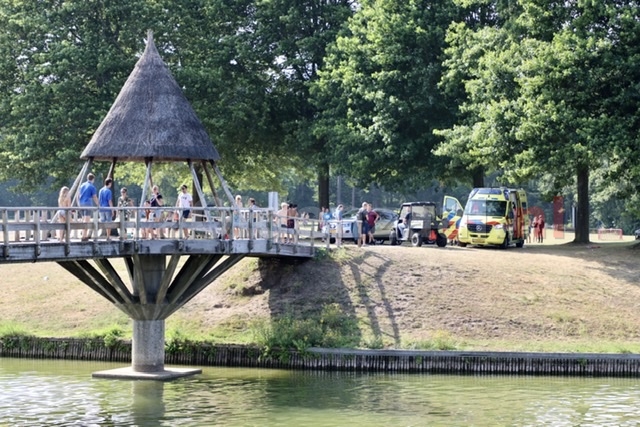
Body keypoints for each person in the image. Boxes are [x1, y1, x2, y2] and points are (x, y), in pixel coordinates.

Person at [77, 173, 99, 241]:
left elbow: (78, 195)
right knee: (87, 220)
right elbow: (94, 197)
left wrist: (78, 204)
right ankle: (84, 236)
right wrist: (98, 204)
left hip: (81, 203)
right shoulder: (92, 187)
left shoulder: (82, 185)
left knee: (83, 219)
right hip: (88, 204)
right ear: (93, 179)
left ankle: (83, 234)